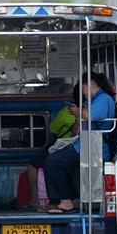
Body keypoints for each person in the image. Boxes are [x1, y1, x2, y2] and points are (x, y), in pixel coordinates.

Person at [44, 73, 116, 214]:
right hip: (87, 143)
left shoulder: (103, 99)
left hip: (95, 146)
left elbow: (90, 116)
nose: (82, 92)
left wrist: (78, 111)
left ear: (89, 84)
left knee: (53, 162)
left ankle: (66, 201)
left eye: (82, 87)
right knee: (55, 158)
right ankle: (74, 199)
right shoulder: (95, 100)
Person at [23, 83, 80, 211]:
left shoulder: (66, 111)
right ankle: (73, 199)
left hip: (64, 145)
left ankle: (37, 200)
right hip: (79, 146)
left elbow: (53, 129)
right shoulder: (88, 109)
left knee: (40, 163)